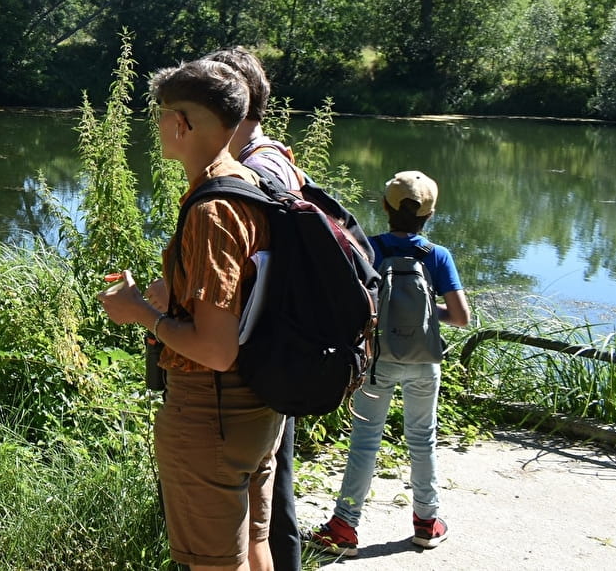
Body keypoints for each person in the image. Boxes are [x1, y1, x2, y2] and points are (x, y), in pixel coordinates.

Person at [97, 59, 283, 571]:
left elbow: (216, 350)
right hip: (256, 404)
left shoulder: (211, 210)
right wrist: (169, 294)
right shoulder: (249, 183)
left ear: (181, 123)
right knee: (252, 547)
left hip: (212, 412)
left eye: (159, 115)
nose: (156, 126)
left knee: (214, 565)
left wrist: (141, 314)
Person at [311, 170, 472, 557]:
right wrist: (426, 317)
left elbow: (351, 303)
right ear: (430, 215)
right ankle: (427, 523)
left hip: (377, 360)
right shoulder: (437, 256)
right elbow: (461, 316)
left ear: (385, 207)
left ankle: (344, 528)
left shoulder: (370, 248)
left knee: (365, 443)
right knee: (423, 439)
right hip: (424, 362)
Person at [203, 46, 307, 571]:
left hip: (261, 360)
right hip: (267, 353)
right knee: (263, 499)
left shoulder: (256, 171)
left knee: (269, 503)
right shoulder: (266, 162)